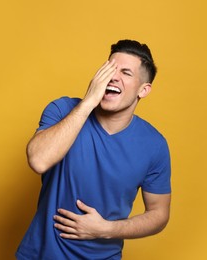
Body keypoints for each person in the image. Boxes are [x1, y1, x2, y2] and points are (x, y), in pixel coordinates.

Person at [16, 39, 171, 260]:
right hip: (40, 255)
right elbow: (39, 161)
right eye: (109, 68)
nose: (113, 77)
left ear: (143, 90)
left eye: (126, 73)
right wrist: (88, 102)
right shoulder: (63, 110)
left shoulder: (154, 145)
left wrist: (106, 229)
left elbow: (159, 214)